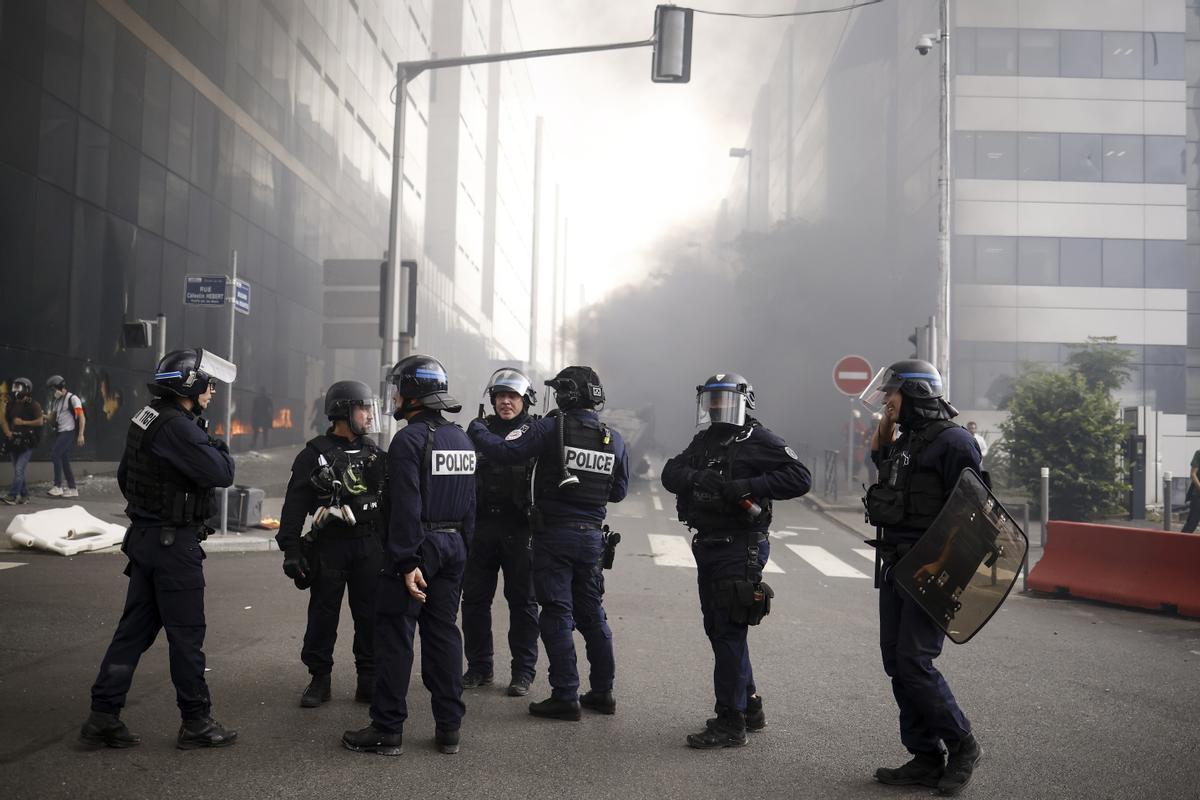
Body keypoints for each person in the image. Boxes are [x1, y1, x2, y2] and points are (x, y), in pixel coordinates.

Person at [80, 348, 238, 750]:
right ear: (189, 385)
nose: (213, 391)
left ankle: (103, 715)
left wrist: (151, 510)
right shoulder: (179, 427)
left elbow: (124, 474)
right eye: (208, 383)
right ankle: (196, 722)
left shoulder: (146, 416)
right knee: (186, 635)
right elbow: (221, 472)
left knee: (133, 631)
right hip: (174, 547)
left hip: (147, 539)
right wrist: (214, 442)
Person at [467, 365, 628, 722]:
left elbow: (507, 453)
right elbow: (618, 490)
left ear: (567, 395)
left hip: (554, 534)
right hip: (592, 538)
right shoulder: (611, 437)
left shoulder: (550, 428)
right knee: (592, 615)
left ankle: (565, 695)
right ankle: (603, 692)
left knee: (555, 613)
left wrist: (477, 430)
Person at [660, 373, 811, 749]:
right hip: (709, 543)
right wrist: (699, 477)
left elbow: (800, 477)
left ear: (744, 402)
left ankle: (731, 722)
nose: (717, 407)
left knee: (728, 631)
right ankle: (750, 706)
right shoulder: (705, 440)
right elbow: (670, 473)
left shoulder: (758, 439)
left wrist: (749, 486)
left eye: (725, 400)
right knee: (719, 629)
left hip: (741, 545)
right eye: (712, 400)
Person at [343, 355, 475, 756]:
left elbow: (405, 507)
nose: (395, 396)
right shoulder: (461, 438)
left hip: (417, 549)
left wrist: (405, 562)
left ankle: (387, 729)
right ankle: (448, 728)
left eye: (399, 388)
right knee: (444, 635)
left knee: (395, 637)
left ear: (414, 393)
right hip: (454, 547)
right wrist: (463, 552)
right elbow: (471, 504)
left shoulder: (409, 440)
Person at [861, 359, 983, 796]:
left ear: (914, 393)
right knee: (896, 660)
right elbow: (881, 463)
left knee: (915, 661)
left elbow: (974, 513)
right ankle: (925, 757)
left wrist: (943, 564)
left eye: (891, 394)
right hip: (897, 563)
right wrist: (886, 424)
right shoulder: (906, 439)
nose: (885, 402)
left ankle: (962, 744)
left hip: (933, 567)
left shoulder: (955, 442)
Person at [276, 380, 386, 708]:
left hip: (369, 545)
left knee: (370, 614)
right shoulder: (313, 455)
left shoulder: (377, 454)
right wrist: (291, 551)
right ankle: (319, 679)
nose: (368, 415)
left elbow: (390, 505)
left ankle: (368, 678)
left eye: (369, 408)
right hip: (330, 546)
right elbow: (294, 507)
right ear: (342, 412)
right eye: (362, 408)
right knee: (324, 614)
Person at [461, 368, 540, 697]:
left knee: (522, 602)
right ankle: (480, 667)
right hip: (481, 527)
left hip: (520, 529)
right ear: (492, 400)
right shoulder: (478, 429)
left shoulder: (536, 432)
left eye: (513, 396)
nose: (506, 401)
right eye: (500, 396)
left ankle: (523, 673)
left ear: (525, 400)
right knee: (475, 600)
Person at [2, 378, 44, 505]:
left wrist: (23, 422)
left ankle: (13, 496)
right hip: (14, 440)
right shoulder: (12, 404)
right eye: (15, 387)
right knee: (17, 469)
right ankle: (25, 495)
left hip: (27, 441)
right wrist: (8, 432)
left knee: (19, 469)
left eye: (19, 387)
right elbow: (6, 419)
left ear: (27, 389)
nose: (16, 390)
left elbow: (40, 421)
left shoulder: (33, 404)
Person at [45, 374, 85, 498]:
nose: (52, 393)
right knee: (65, 460)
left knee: (55, 454)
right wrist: (45, 416)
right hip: (61, 432)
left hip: (69, 432)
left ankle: (58, 486)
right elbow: (53, 419)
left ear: (59, 387)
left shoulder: (73, 399)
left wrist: (80, 434)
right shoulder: (57, 401)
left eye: (53, 389)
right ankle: (73, 489)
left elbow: (82, 417)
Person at [1181, 449, 1200, 533]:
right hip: (1198, 495)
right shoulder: (1199, 453)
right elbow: (1193, 474)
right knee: (1191, 524)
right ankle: (1178, 545)